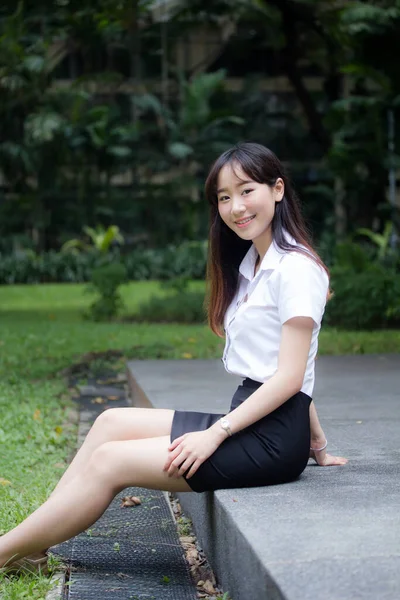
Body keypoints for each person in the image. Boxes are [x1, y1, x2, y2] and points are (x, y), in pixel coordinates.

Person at [0, 142, 347, 575]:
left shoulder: (296, 269)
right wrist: (317, 444)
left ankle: (3, 553)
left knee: (111, 461)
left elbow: (291, 378)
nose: (235, 207)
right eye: (223, 197)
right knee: (111, 422)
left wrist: (217, 435)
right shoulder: (253, 266)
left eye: (246, 191)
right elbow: (294, 369)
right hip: (256, 418)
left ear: (277, 189)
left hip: (270, 440)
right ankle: (30, 543)